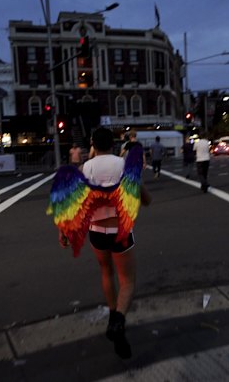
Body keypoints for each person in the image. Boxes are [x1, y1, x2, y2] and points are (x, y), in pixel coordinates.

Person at [60, 127, 146, 359]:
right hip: (120, 230)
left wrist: (65, 231)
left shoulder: (84, 169)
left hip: (96, 230)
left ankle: (112, 315)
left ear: (92, 144)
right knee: (127, 280)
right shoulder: (123, 165)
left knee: (106, 272)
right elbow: (139, 194)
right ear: (114, 144)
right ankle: (118, 321)